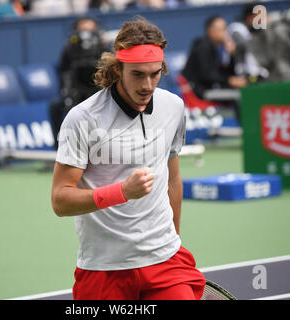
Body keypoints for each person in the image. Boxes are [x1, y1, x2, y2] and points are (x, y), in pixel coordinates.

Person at [51, 17, 206, 300]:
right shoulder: (82, 119)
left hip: (164, 261)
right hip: (104, 267)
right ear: (118, 68)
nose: (147, 85)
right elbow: (60, 201)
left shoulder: (173, 107)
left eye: (155, 73)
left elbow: (172, 179)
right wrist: (122, 192)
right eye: (137, 74)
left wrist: (173, 240)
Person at [49, 16, 106, 150]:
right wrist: (68, 93)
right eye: (82, 30)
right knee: (55, 107)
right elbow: (64, 72)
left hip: (98, 93)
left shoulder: (103, 48)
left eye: (89, 30)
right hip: (76, 93)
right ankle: (60, 149)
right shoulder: (69, 50)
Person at [181, 15, 247, 100]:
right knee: (237, 96)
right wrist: (229, 80)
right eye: (222, 29)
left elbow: (228, 72)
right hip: (198, 91)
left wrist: (231, 55)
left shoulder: (219, 48)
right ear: (211, 31)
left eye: (225, 29)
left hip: (211, 88)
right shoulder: (202, 47)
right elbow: (207, 75)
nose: (225, 33)